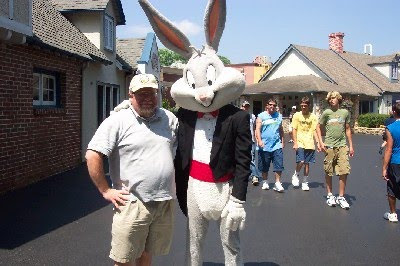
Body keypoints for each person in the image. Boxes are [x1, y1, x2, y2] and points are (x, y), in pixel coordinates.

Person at [85, 74, 178, 266]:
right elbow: (92, 155)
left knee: (146, 252)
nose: (147, 98)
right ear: (130, 96)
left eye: (151, 93)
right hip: (133, 203)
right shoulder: (117, 120)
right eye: (141, 94)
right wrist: (105, 190)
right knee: (124, 259)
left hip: (163, 201)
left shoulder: (168, 118)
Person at [317, 91, 354, 210]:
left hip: (342, 145)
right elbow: (318, 126)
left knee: (344, 171)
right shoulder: (327, 113)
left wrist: (351, 145)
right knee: (329, 171)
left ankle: (341, 196)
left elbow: (348, 129)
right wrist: (321, 142)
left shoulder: (345, 113)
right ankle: (330, 195)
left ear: (339, 99)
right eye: (330, 98)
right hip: (329, 146)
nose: (332, 100)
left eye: (334, 98)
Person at [291, 97, 321, 191]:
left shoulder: (313, 117)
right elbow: (294, 129)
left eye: (305, 105)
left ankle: (305, 182)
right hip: (300, 142)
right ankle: (296, 174)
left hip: (309, 143)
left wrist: (318, 143)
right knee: (301, 161)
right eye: (302, 105)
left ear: (309, 106)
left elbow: (315, 130)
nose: (303, 107)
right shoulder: (296, 115)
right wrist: (295, 143)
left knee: (307, 164)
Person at [256, 98, 285, 192]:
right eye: (270, 105)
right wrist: (259, 141)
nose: (272, 106)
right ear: (267, 106)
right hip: (264, 145)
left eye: (274, 105)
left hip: (276, 145)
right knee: (264, 165)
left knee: (279, 164)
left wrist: (282, 141)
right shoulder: (261, 116)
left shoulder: (279, 116)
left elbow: (280, 129)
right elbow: (257, 129)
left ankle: (277, 183)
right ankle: (265, 181)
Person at [382, 103, 400, 222]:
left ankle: (393, 214)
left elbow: (389, 149)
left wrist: (384, 168)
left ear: (394, 112)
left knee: (392, 187)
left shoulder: (391, 128)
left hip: (395, 162)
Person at [241, 101, 262, 186]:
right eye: (244, 106)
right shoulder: (238, 116)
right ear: (241, 107)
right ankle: (246, 175)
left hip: (251, 140)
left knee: (251, 158)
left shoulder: (252, 116)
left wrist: (256, 138)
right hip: (241, 140)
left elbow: (254, 128)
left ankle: (255, 176)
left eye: (247, 107)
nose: (246, 108)